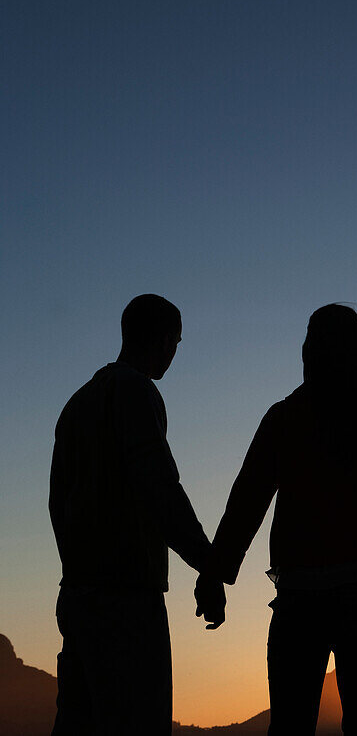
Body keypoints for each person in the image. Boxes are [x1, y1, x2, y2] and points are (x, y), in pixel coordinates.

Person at [196, 304, 357, 736]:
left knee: (291, 727)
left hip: (300, 601)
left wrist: (214, 575)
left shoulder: (285, 418)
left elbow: (245, 504)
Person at [49, 293, 225, 736]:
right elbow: (159, 488)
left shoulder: (76, 405)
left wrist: (70, 580)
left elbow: (57, 504)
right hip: (126, 599)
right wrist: (209, 565)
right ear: (165, 340)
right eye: (177, 343)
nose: (175, 354)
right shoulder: (135, 391)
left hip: (80, 599)